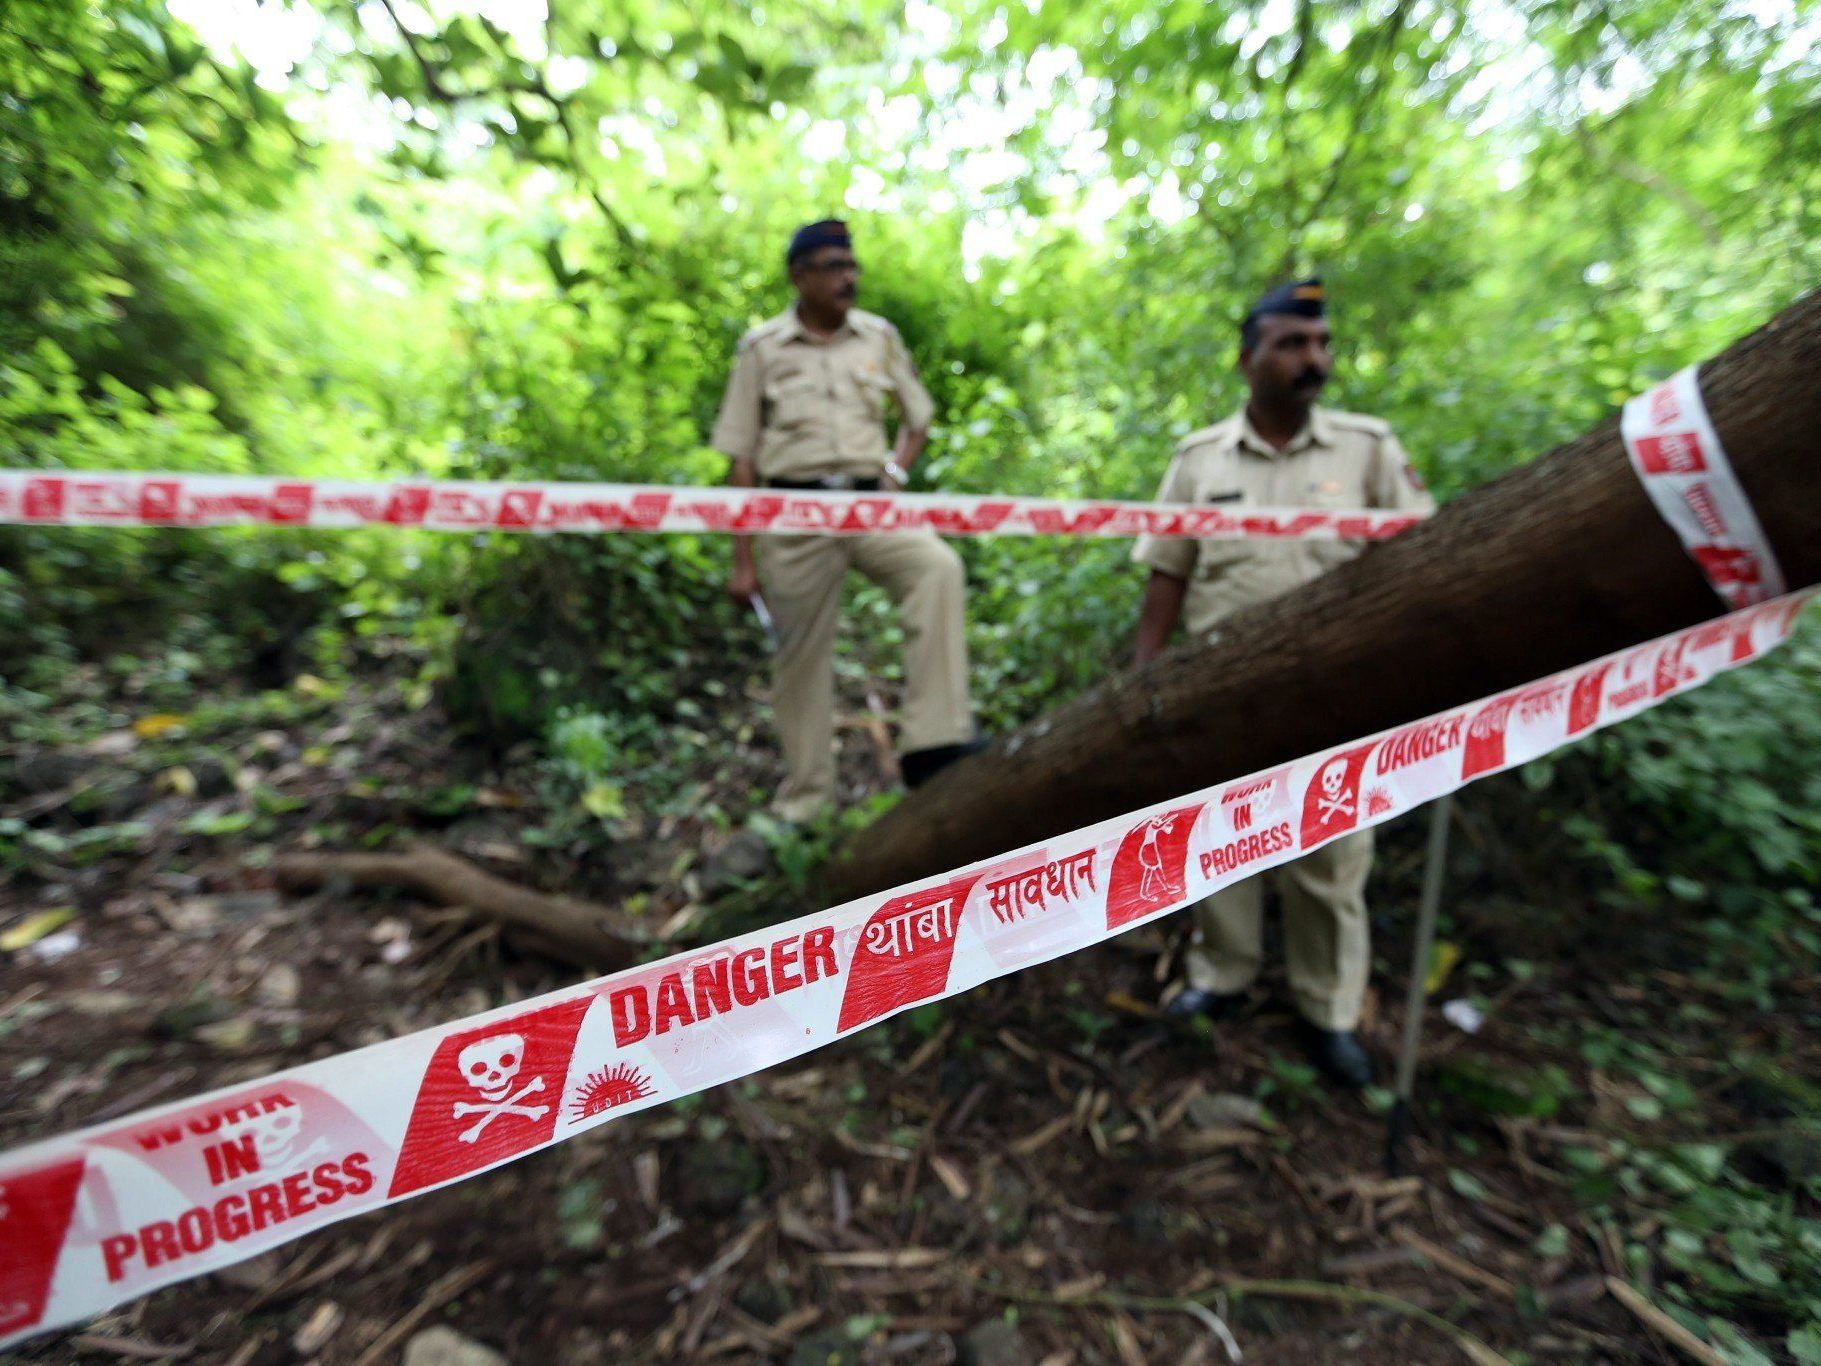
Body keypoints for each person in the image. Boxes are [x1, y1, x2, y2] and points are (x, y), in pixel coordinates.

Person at [1130, 277, 1434, 1088]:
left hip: (1340, 690)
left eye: (1322, 343)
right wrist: (1147, 682)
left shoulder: (1368, 449)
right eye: (1293, 344)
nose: (1314, 359)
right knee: (1221, 838)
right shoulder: (1198, 461)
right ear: (1248, 357)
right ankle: (1220, 976)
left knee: (1331, 859)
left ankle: (1327, 1010)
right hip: (1222, 689)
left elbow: (1418, 564)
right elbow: (1166, 574)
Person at [710, 220, 982, 823]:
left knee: (937, 567)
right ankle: (808, 804)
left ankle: (933, 745)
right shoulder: (762, 348)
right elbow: (741, 456)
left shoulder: (877, 338)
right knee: (800, 656)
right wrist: (743, 558)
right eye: (833, 266)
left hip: (869, 503)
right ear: (799, 275)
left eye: (851, 265)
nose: (848, 278)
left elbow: (918, 418)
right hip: (791, 513)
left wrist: (894, 473)